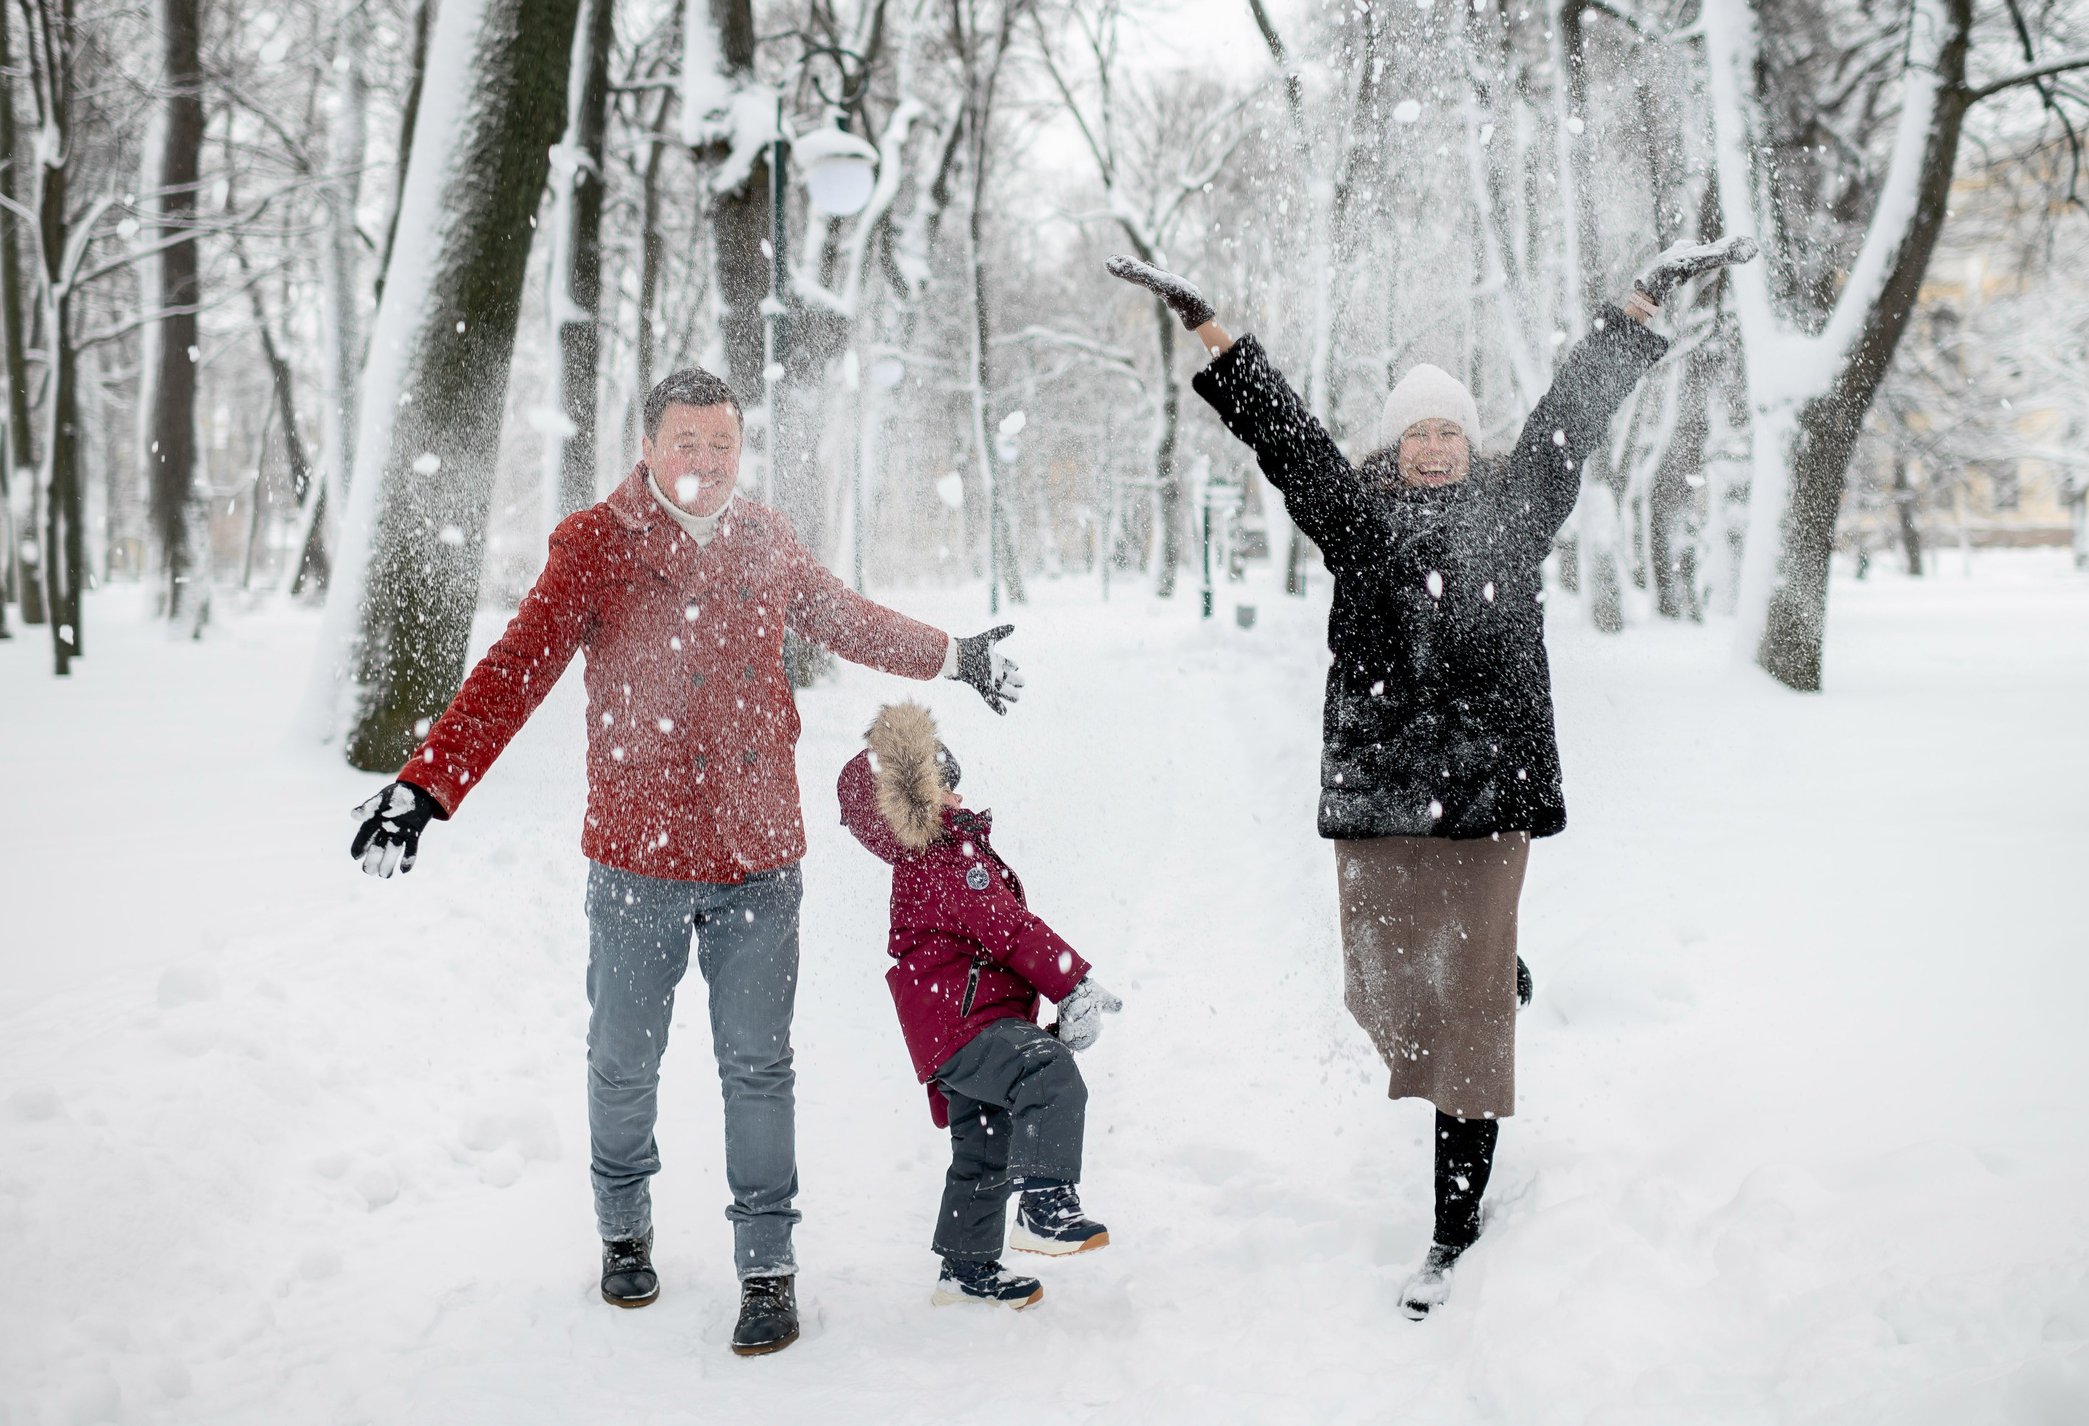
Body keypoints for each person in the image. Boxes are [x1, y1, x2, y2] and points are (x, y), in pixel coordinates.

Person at [1106, 237, 1749, 1318]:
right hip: (1386, 793)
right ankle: (1495, 973)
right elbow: (1284, 433)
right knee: (1386, 992)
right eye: (1418, 431)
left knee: (1467, 1024)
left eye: (1450, 428)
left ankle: (1453, 1227)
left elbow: (1569, 415)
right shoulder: (1355, 520)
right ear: (1395, 446)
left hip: (1489, 795)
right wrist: (1209, 327)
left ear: (1470, 440)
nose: (1437, 445)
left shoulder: (1516, 507)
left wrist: (1636, 308)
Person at [344, 367, 1026, 1357]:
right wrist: (428, 783)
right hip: (638, 860)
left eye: (721, 443)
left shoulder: (766, 538)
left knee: (758, 1068)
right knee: (623, 1063)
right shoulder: (594, 545)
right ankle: (624, 1229)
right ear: (650, 448)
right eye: (687, 443)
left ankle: (766, 1267)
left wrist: (954, 655)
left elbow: (847, 617)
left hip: (759, 858)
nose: (706, 461)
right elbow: (513, 670)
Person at [835, 701, 1123, 1309]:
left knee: (985, 1141)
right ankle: (1044, 1206)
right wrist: (1071, 984)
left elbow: (998, 937)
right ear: (915, 796)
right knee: (1047, 1072)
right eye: (942, 782)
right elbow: (1011, 930)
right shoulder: (944, 858)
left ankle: (966, 1270)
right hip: (966, 1026)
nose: (957, 793)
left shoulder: (935, 857)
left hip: (954, 1027)